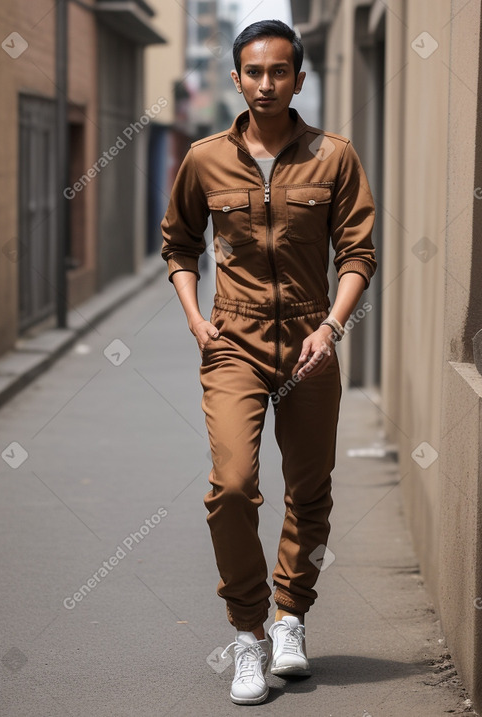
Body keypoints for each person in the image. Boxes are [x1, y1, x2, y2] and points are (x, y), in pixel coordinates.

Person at [161, 19, 376, 706]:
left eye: (278, 71)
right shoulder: (203, 159)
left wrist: (332, 325)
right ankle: (247, 633)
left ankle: (291, 618)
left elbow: (359, 254)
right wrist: (197, 319)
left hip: (311, 340)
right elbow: (178, 245)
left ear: (299, 79)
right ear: (235, 79)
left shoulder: (334, 157)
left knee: (310, 491)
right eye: (253, 72)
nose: (265, 83)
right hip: (234, 342)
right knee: (231, 485)